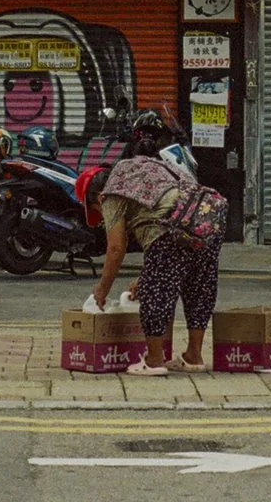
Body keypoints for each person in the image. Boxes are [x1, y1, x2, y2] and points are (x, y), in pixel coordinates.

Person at [89, 110, 219, 377]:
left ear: (98, 197)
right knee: (199, 286)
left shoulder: (114, 188)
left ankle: (155, 359)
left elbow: (115, 248)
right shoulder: (165, 166)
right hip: (209, 221)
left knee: (156, 293)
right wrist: (147, 275)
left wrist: (101, 291)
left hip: (170, 228)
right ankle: (193, 356)